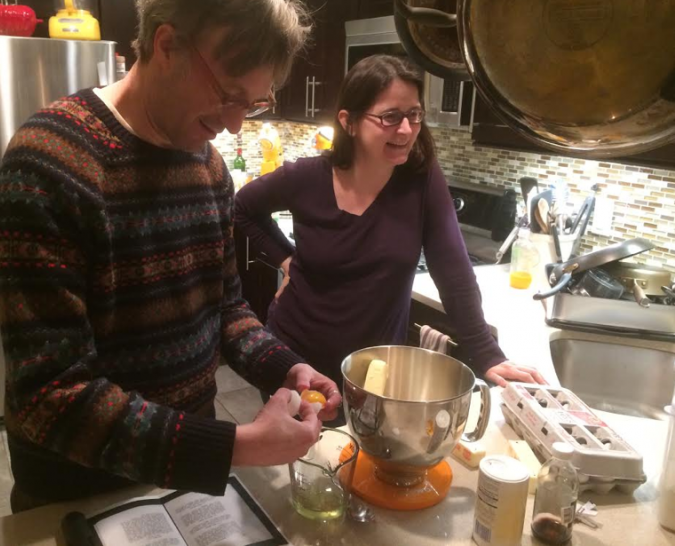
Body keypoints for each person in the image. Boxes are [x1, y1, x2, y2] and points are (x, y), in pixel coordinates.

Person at [0, 0, 341, 513]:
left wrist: (283, 366)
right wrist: (235, 447)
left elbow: (223, 308)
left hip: (182, 479)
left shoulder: (209, 168)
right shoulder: (51, 162)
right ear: (167, 44)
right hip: (77, 493)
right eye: (228, 95)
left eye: (253, 104)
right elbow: (49, 397)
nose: (234, 125)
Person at [234, 55, 546, 411]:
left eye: (414, 115)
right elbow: (242, 208)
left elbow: (453, 271)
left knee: (362, 462)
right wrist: (286, 259)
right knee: (303, 463)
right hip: (296, 359)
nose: (406, 130)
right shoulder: (305, 177)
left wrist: (487, 353)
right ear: (348, 122)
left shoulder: (422, 183)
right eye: (390, 117)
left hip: (374, 371)